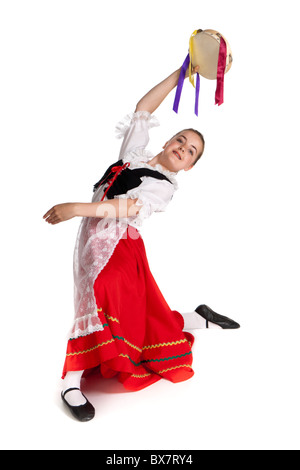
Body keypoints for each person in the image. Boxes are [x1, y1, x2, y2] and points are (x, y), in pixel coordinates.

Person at [43, 65, 240, 422]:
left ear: (190, 166)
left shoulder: (163, 186)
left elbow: (125, 208)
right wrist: (182, 73)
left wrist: (74, 208)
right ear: (167, 141)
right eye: (180, 140)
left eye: (191, 151)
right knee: (135, 313)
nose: (183, 148)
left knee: (99, 292)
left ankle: (70, 382)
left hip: (120, 243)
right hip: (93, 237)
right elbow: (144, 107)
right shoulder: (134, 154)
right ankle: (198, 317)